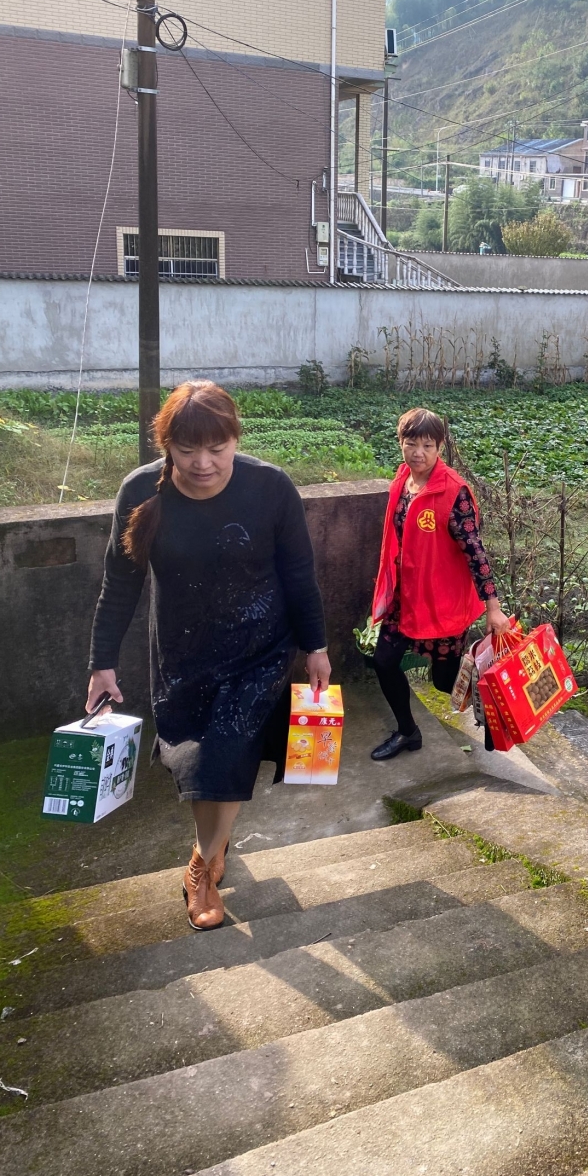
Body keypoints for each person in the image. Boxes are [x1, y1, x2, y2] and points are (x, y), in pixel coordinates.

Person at [86, 381, 330, 931]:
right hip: (182, 653)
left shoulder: (270, 487)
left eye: (217, 449)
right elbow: (119, 582)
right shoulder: (140, 492)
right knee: (199, 763)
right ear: (165, 445)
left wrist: (316, 646)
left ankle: (201, 863)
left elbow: (299, 574)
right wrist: (102, 661)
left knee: (229, 756)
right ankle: (215, 846)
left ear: (235, 440)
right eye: (187, 450)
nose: (203, 463)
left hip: (259, 648)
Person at [369, 407, 509, 760]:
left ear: (439, 447)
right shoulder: (403, 482)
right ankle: (408, 732)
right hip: (406, 596)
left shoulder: (453, 493)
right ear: (401, 443)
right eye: (410, 443)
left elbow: (475, 552)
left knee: (445, 681)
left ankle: (494, 713)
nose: (418, 453)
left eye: (427, 446)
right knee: (384, 661)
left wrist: (494, 607)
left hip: (443, 602)